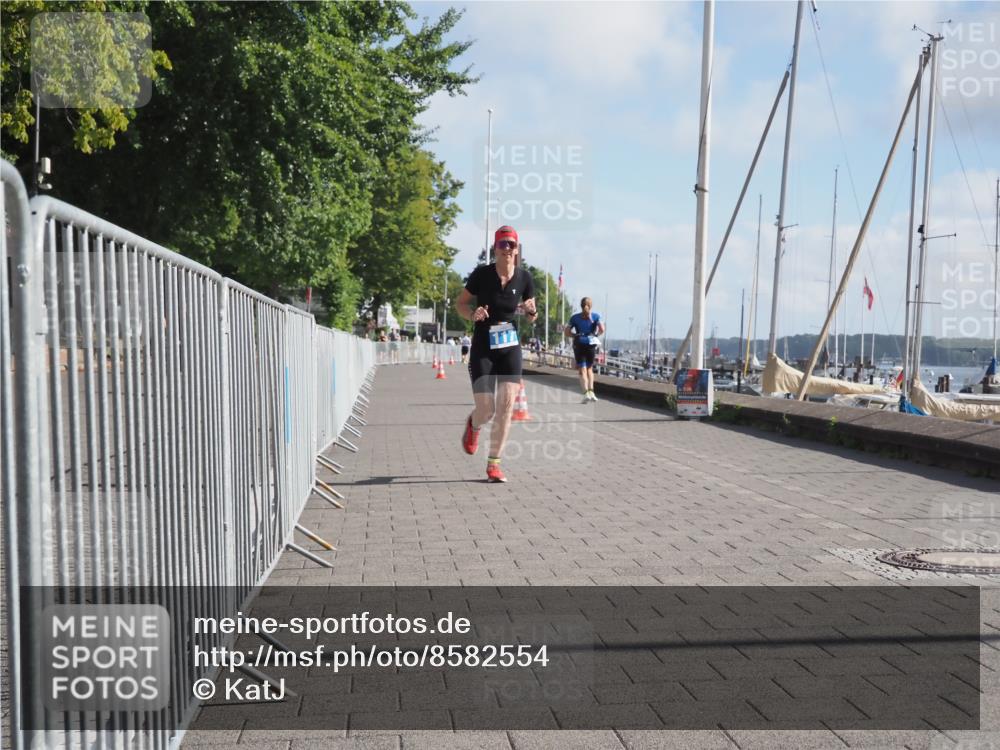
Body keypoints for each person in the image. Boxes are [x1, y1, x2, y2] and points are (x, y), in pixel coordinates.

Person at [455, 225, 537, 483]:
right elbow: (461, 304)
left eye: (512, 245)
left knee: (506, 405)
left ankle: (494, 464)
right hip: (483, 347)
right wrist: (473, 314)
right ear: (495, 248)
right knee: (487, 409)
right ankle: (474, 425)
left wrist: (532, 312)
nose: (508, 250)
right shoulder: (481, 274)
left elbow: (533, 316)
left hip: (510, 346)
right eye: (503, 245)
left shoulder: (525, 279)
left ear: (517, 249)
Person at [565, 297, 604, 402]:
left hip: (579, 343)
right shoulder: (596, 316)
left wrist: (575, 336)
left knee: (582, 369)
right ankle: (592, 392)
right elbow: (602, 329)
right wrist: (595, 335)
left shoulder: (574, 318)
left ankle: (586, 393)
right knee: (590, 369)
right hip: (591, 344)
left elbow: (567, 332)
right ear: (591, 306)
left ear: (581, 306)